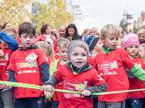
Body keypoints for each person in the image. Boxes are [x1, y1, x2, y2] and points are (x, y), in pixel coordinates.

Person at [43, 40, 107, 108]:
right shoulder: (63, 68)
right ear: (69, 56)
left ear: (87, 57)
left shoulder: (92, 72)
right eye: (75, 54)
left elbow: (103, 86)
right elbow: (54, 78)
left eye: (83, 55)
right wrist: (49, 84)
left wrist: (90, 90)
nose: (79, 58)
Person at [93, 24, 145, 108]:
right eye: (111, 39)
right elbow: (92, 74)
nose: (115, 41)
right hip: (102, 96)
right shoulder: (98, 56)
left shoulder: (120, 52)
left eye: (117, 39)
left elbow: (135, 68)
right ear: (102, 39)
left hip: (117, 97)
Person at [7, 22, 49, 108]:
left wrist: (46, 83)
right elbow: (10, 71)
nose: (28, 39)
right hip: (19, 96)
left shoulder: (39, 53)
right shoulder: (14, 54)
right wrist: (12, 81)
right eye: (25, 37)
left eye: (31, 37)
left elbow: (44, 69)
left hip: (36, 95)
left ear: (34, 38)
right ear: (20, 38)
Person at [122, 33, 145, 108]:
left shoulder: (138, 61)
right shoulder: (123, 61)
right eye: (131, 47)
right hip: (126, 94)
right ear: (125, 48)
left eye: (136, 47)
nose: (134, 49)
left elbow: (132, 75)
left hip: (137, 94)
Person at [0, 32, 18, 108]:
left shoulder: (13, 50)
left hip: (7, 88)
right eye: (3, 40)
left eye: (7, 39)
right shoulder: (1, 48)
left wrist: (1, 34)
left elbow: (14, 44)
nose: (5, 41)